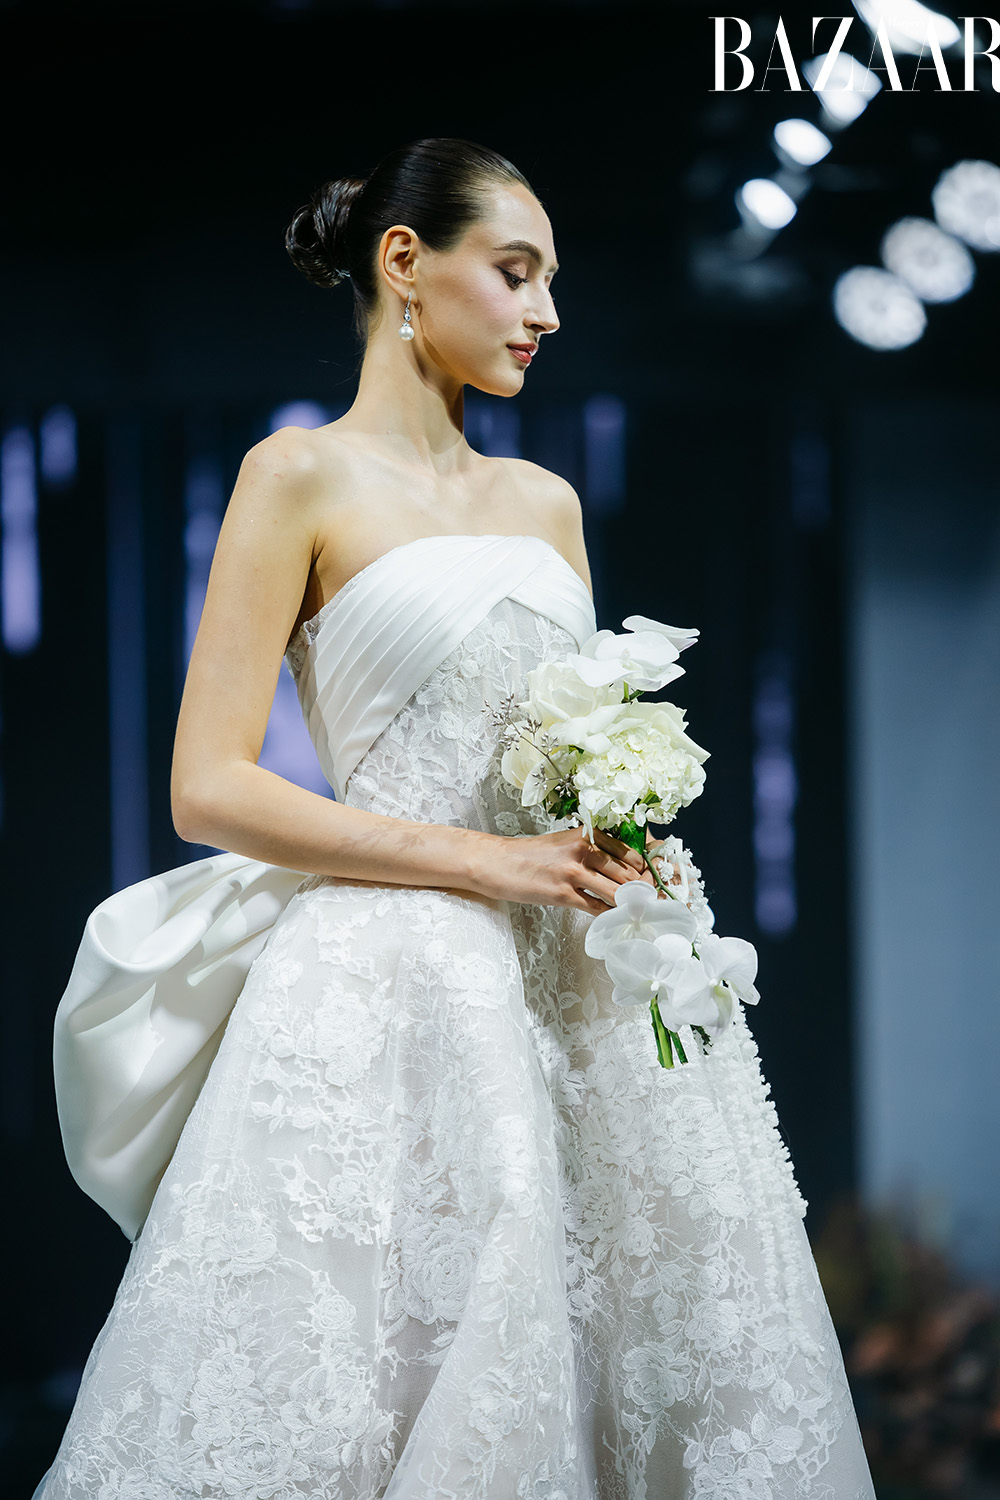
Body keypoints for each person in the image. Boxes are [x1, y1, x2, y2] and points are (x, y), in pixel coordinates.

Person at [35, 138, 875, 1498]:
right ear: (405, 263)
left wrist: (625, 830)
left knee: (639, 1347)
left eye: (551, 281)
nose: (547, 311)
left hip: (580, 981)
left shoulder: (545, 503)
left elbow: (567, 742)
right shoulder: (297, 475)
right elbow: (209, 786)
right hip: (398, 986)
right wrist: (488, 860)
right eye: (517, 272)